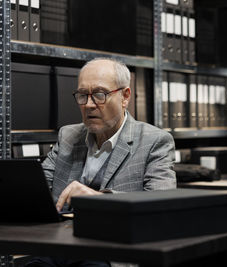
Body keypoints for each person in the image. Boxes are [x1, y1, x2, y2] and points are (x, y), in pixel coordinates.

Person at [26, 57, 176, 267]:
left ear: (125, 96)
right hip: (60, 246)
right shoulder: (69, 136)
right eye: (82, 95)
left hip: (112, 251)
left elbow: (163, 208)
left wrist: (100, 200)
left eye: (99, 95)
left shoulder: (154, 141)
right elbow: (37, 189)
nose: (88, 105)